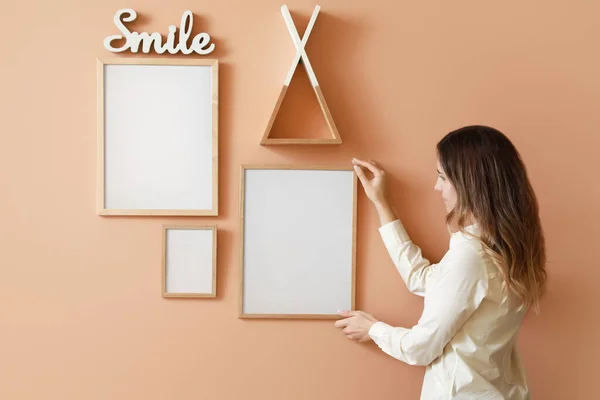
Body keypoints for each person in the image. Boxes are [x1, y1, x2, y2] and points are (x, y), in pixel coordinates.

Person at [334, 125, 547, 399]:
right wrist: (381, 203)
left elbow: (421, 348)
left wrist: (372, 329)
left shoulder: (471, 256)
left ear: (470, 183)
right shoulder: (508, 249)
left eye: (442, 177)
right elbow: (423, 280)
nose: (437, 187)